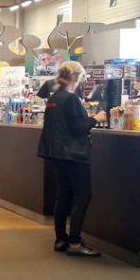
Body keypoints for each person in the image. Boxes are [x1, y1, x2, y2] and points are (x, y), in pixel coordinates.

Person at [37, 61, 106, 257]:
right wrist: (96, 119)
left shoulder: (54, 99)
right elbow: (78, 128)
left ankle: (61, 239)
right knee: (82, 196)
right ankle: (75, 242)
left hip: (57, 154)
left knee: (63, 195)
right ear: (76, 78)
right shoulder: (71, 99)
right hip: (75, 155)